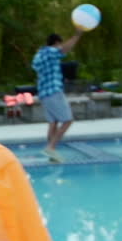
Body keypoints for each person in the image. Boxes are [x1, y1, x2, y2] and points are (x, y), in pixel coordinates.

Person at [32, 31, 84, 162]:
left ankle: (51, 155)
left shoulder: (39, 55)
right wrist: (77, 35)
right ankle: (51, 147)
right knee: (67, 120)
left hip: (44, 94)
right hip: (54, 92)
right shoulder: (50, 51)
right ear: (56, 43)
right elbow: (65, 49)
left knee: (53, 122)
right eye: (59, 44)